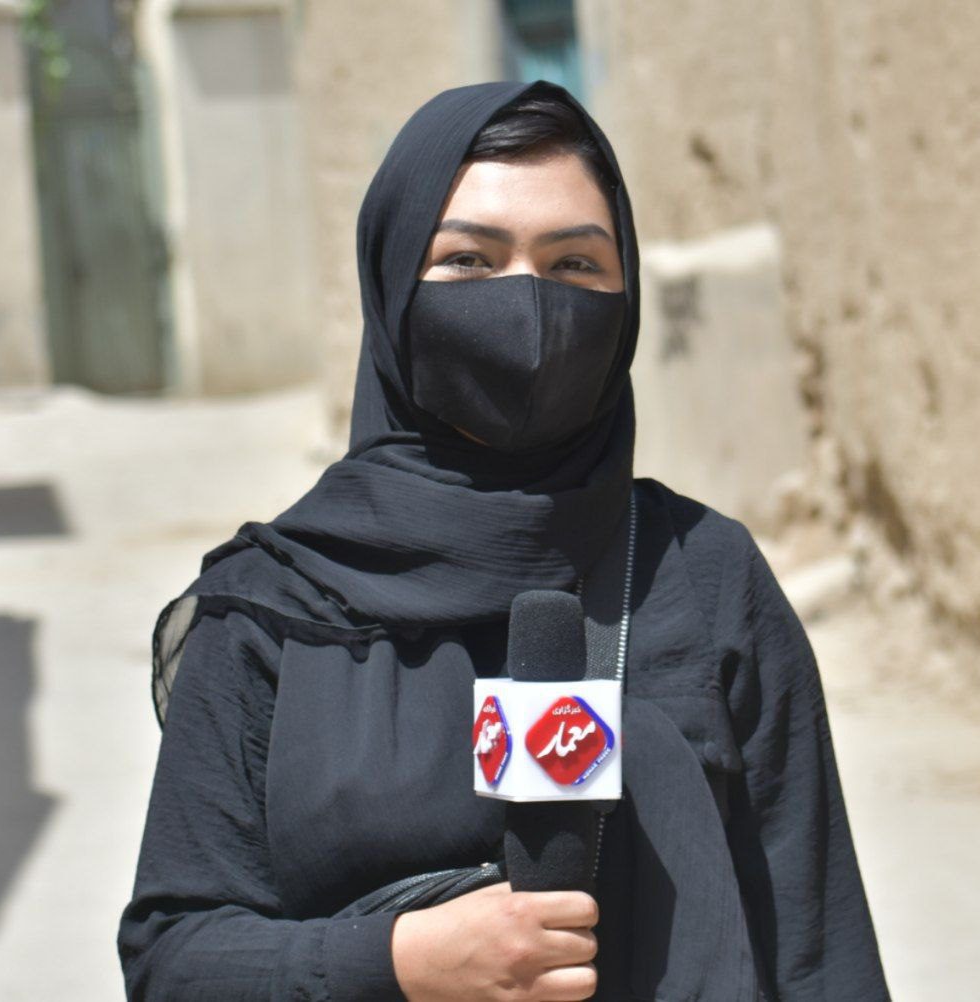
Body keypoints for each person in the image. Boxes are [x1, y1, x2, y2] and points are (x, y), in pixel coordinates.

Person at [118, 80, 891, 1002]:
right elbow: (174, 960)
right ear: (392, 289)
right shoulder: (270, 608)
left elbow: (817, 952)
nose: (527, 304)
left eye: (574, 264)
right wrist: (401, 961)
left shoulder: (704, 576)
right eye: (468, 261)